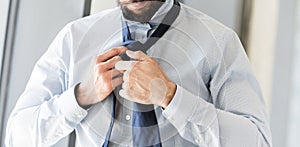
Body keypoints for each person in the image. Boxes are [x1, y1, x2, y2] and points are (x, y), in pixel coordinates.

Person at [5, 0, 272, 146]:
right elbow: (18, 136)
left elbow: (256, 141)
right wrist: (80, 96)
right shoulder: (74, 39)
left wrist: (171, 97)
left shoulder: (218, 42)